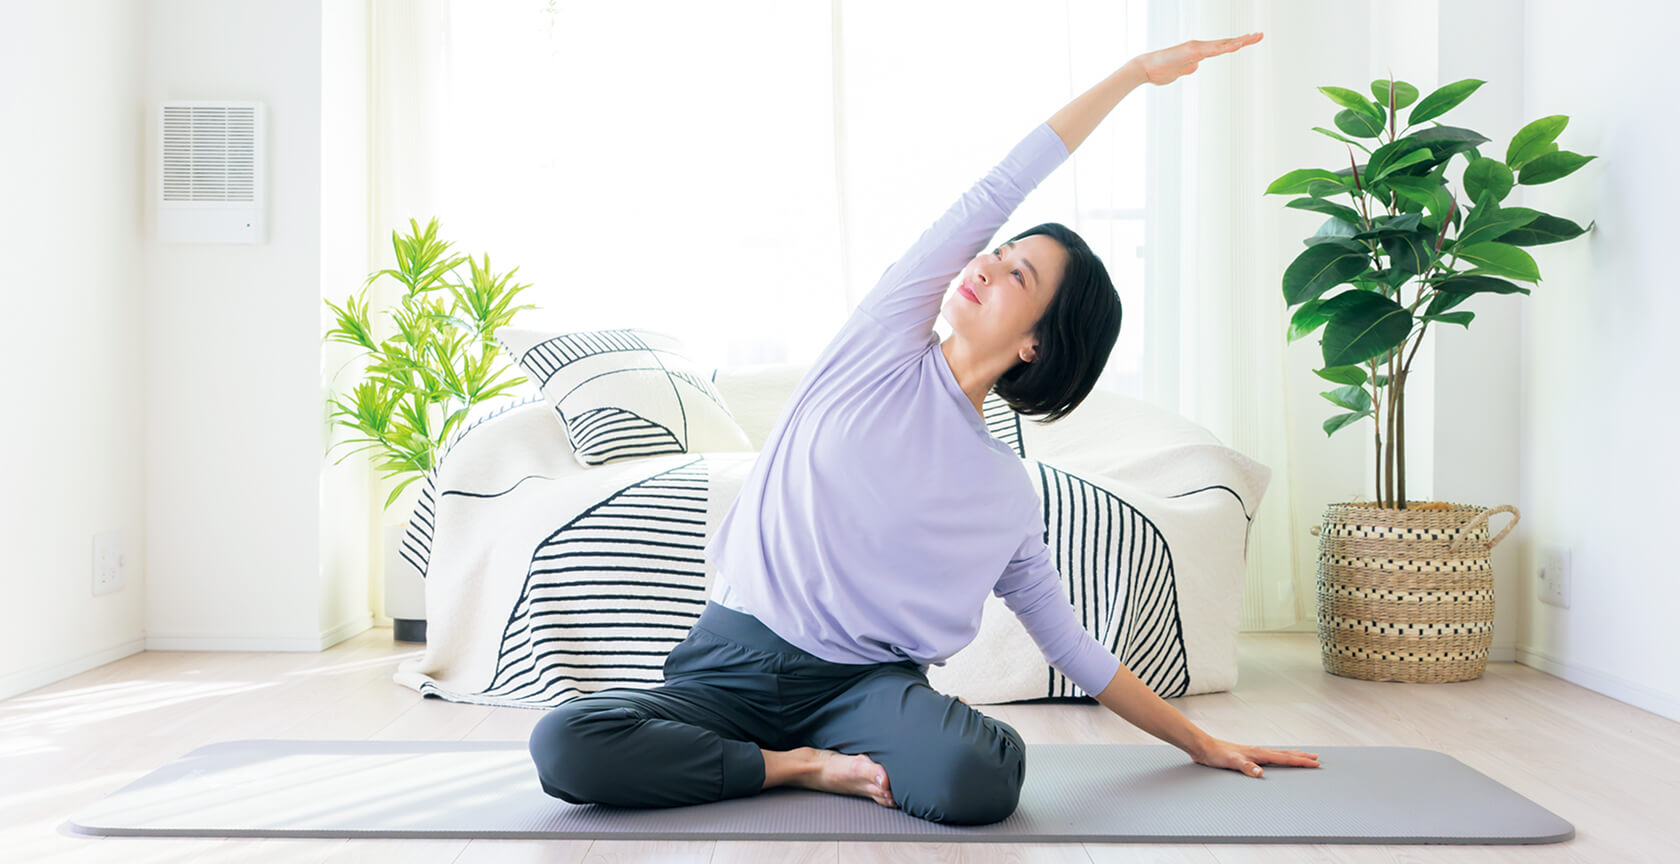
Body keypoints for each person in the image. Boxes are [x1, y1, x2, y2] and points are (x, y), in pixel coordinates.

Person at [529, 31, 1318, 826]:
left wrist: (1199, 742)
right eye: (998, 253)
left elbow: (1072, 647)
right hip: (730, 665)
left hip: (860, 692)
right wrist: (1131, 75)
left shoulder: (1004, 491)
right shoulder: (877, 346)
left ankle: (844, 748)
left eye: (1017, 275)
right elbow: (997, 189)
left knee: (979, 778)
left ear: (1035, 343)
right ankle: (796, 768)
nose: (985, 265)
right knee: (566, 744)